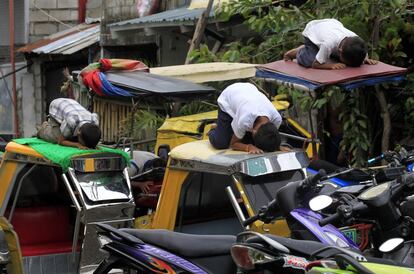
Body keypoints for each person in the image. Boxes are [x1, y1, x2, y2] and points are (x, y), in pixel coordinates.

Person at [208, 82, 282, 154]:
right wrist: (249, 147)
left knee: (250, 140)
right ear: (253, 131)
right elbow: (233, 144)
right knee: (221, 143)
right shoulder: (245, 120)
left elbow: (270, 137)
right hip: (228, 97)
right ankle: (215, 129)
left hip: (247, 92)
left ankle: (229, 129)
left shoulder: (277, 119)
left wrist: (276, 147)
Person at [284, 19, 378, 70]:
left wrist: (365, 59)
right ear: (340, 51)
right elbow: (315, 65)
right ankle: (302, 51)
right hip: (312, 33)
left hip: (331, 26)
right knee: (312, 60)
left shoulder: (356, 39)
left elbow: (361, 50)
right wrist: (329, 66)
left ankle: (315, 51)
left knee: (332, 58)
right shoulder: (328, 44)